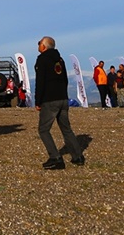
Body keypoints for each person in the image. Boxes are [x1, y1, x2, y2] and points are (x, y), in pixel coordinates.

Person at [34, 36, 84, 170]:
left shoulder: (42, 59)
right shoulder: (60, 60)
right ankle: (77, 156)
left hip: (49, 100)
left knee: (43, 130)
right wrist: (64, 95)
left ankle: (55, 158)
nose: (38, 45)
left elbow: (40, 82)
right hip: (63, 98)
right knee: (66, 128)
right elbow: (65, 79)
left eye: (39, 43)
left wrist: (38, 101)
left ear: (44, 46)